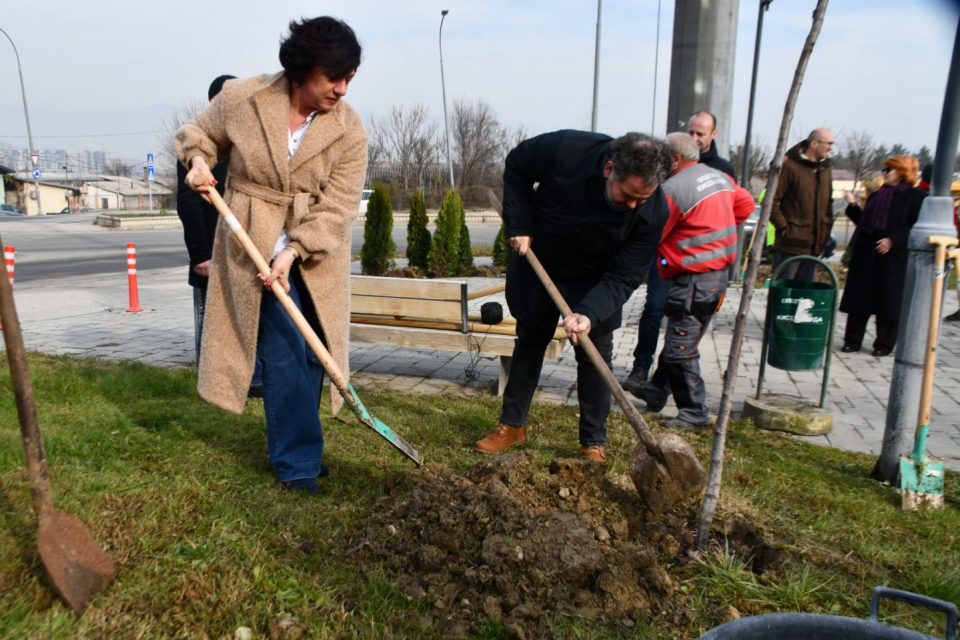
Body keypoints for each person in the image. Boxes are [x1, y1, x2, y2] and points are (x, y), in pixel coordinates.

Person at [176, 17, 367, 495]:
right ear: (303, 70)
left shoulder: (348, 129)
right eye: (333, 78)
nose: (342, 89)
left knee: (309, 353)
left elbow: (340, 204)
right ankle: (298, 464)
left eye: (349, 79)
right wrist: (199, 162)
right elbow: (199, 133)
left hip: (314, 253)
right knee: (283, 349)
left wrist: (296, 250)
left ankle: (306, 449)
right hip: (250, 241)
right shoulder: (245, 97)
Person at [473, 130, 671, 463]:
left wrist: (589, 313)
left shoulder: (653, 211)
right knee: (530, 341)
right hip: (541, 263)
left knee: (595, 354)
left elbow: (626, 274)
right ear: (609, 170)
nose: (635, 205)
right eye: (628, 195)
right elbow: (518, 164)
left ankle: (593, 442)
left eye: (643, 198)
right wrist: (520, 224)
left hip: (597, 278)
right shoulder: (568, 150)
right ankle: (512, 426)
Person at [631, 133, 754, 428]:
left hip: (693, 278)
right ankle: (657, 390)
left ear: (674, 159)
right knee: (684, 334)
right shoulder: (719, 177)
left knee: (681, 345)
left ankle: (694, 411)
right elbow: (746, 206)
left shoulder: (674, 189)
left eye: (662, 157)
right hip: (718, 276)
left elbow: (653, 234)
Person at [622, 111, 738, 393]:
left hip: (698, 267)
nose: (695, 138)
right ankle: (642, 369)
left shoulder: (721, 171)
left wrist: (706, 236)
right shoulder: (668, 171)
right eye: (692, 132)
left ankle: (664, 384)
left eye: (701, 133)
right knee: (654, 310)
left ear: (713, 135)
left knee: (685, 326)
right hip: (667, 261)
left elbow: (740, 207)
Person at [839, 156, 926, 356]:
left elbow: (915, 226)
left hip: (892, 256)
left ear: (903, 172)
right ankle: (852, 341)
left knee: (888, 300)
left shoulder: (915, 197)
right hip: (867, 253)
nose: (885, 173)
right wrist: (853, 206)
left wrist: (893, 240)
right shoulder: (877, 195)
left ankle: (884, 344)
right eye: (884, 169)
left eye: (890, 169)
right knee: (860, 299)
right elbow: (864, 223)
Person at [176, 74, 235, 361]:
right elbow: (189, 205)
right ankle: (207, 371)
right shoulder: (195, 151)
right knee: (208, 316)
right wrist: (200, 254)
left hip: (240, 251)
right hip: (209, 251)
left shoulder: (242, 145)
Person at [770, 128, 835, 281]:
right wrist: (785, 229)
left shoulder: (825, 168)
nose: (831, 147)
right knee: (783, 297)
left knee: (806, 298)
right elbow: (771, 200)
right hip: (790, 246)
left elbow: (828, 203)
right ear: (814, 143)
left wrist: (826, 230)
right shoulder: (789, 167)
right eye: (828, 143)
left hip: (813, 247)